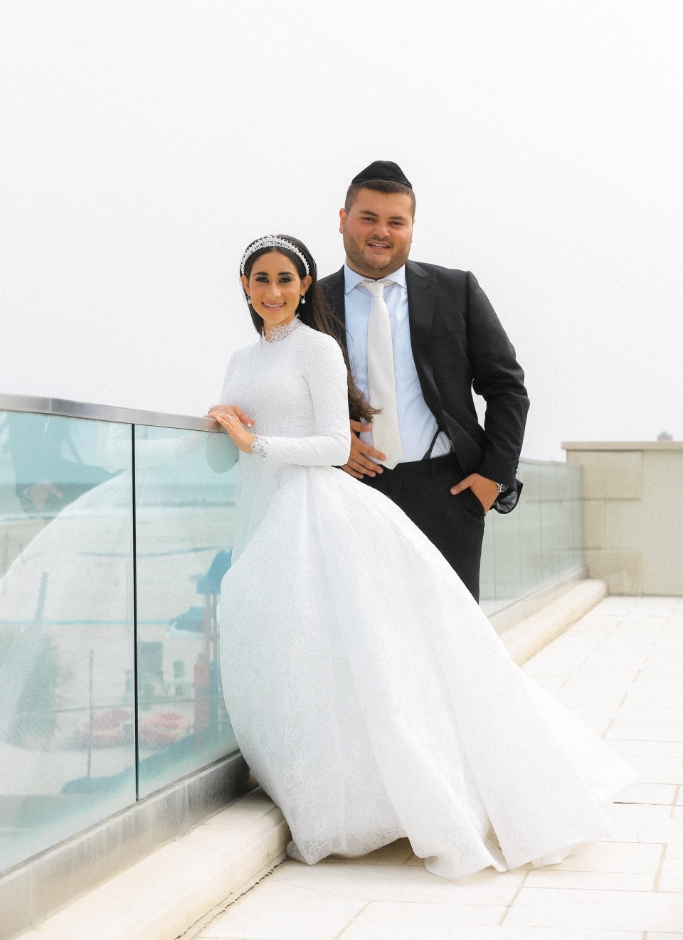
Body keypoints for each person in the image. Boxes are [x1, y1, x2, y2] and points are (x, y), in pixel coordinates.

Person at [207, 234, 636, 881]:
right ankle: (321, 787)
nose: (273, 291)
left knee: (363, 655)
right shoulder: (240, 359)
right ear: (244, 285)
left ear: (304, 286)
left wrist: (253, 441)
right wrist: (225, 427)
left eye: (285, 279)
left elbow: (332, 446)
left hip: (316, 513)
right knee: (298, 653)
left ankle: (392, 801)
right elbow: (240, 440)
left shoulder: (318, 348)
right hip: (264, 514)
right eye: (261, 279)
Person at [320, 160, 529, 600]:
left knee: (451, 635)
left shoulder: (457, 290)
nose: (382, 232)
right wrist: (333, 443)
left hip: (448, 495)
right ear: (342, 220)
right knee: (364, 630)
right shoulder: (313, 303)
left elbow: (507, 387)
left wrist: (492, 478)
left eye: (396, 222)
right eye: (368, 218)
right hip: (347, 491)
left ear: (412, 228)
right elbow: (289, 395)